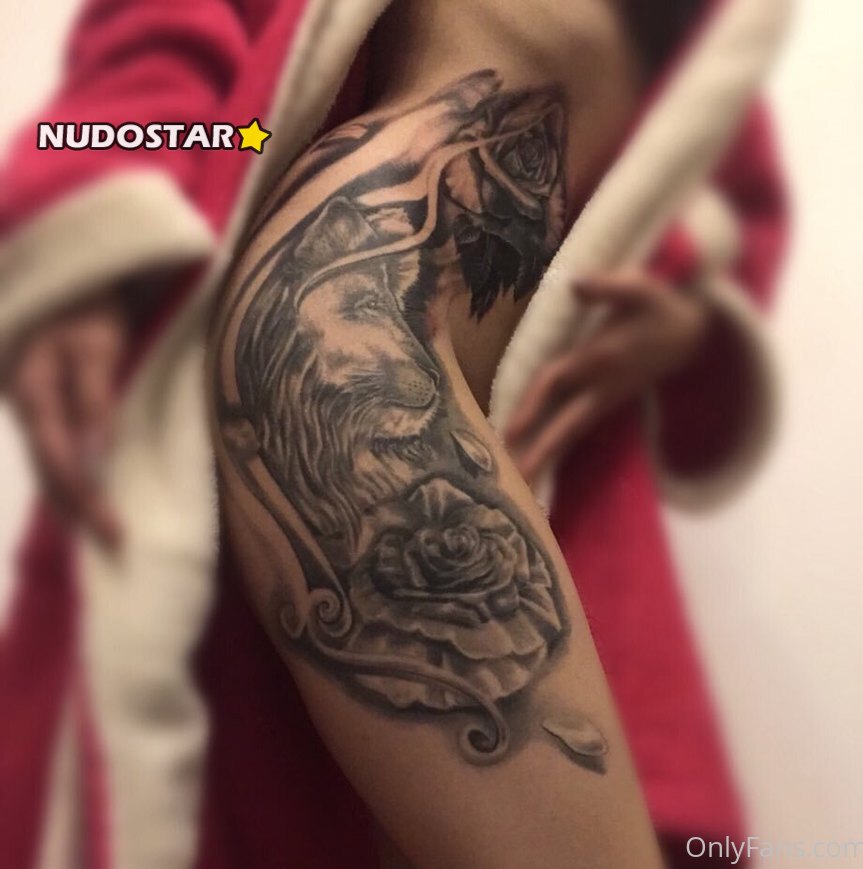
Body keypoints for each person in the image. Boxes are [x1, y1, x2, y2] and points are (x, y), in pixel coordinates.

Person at [0, 0, 790, 865]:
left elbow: (724, 201)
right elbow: (148, 66)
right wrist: (104, 206)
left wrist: (691, 318)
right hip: (319, 394)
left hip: (550, 494)